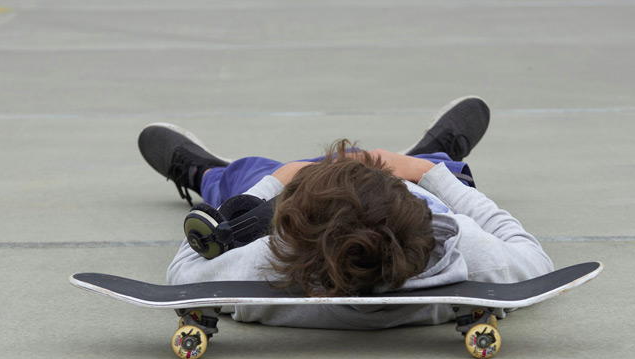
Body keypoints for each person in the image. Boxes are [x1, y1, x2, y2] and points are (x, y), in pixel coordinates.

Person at [136, 97, 553, 329]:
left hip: (306, 207)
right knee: (452, 177)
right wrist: (430, 176)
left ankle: (205, 172)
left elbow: (186, 270)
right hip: (407, 188)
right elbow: (532, 256)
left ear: (284, 235)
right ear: (422, 220)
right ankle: (433, 154)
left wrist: (276, 182)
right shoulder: (469, 253)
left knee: (242, 178)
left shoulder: (260, 266)